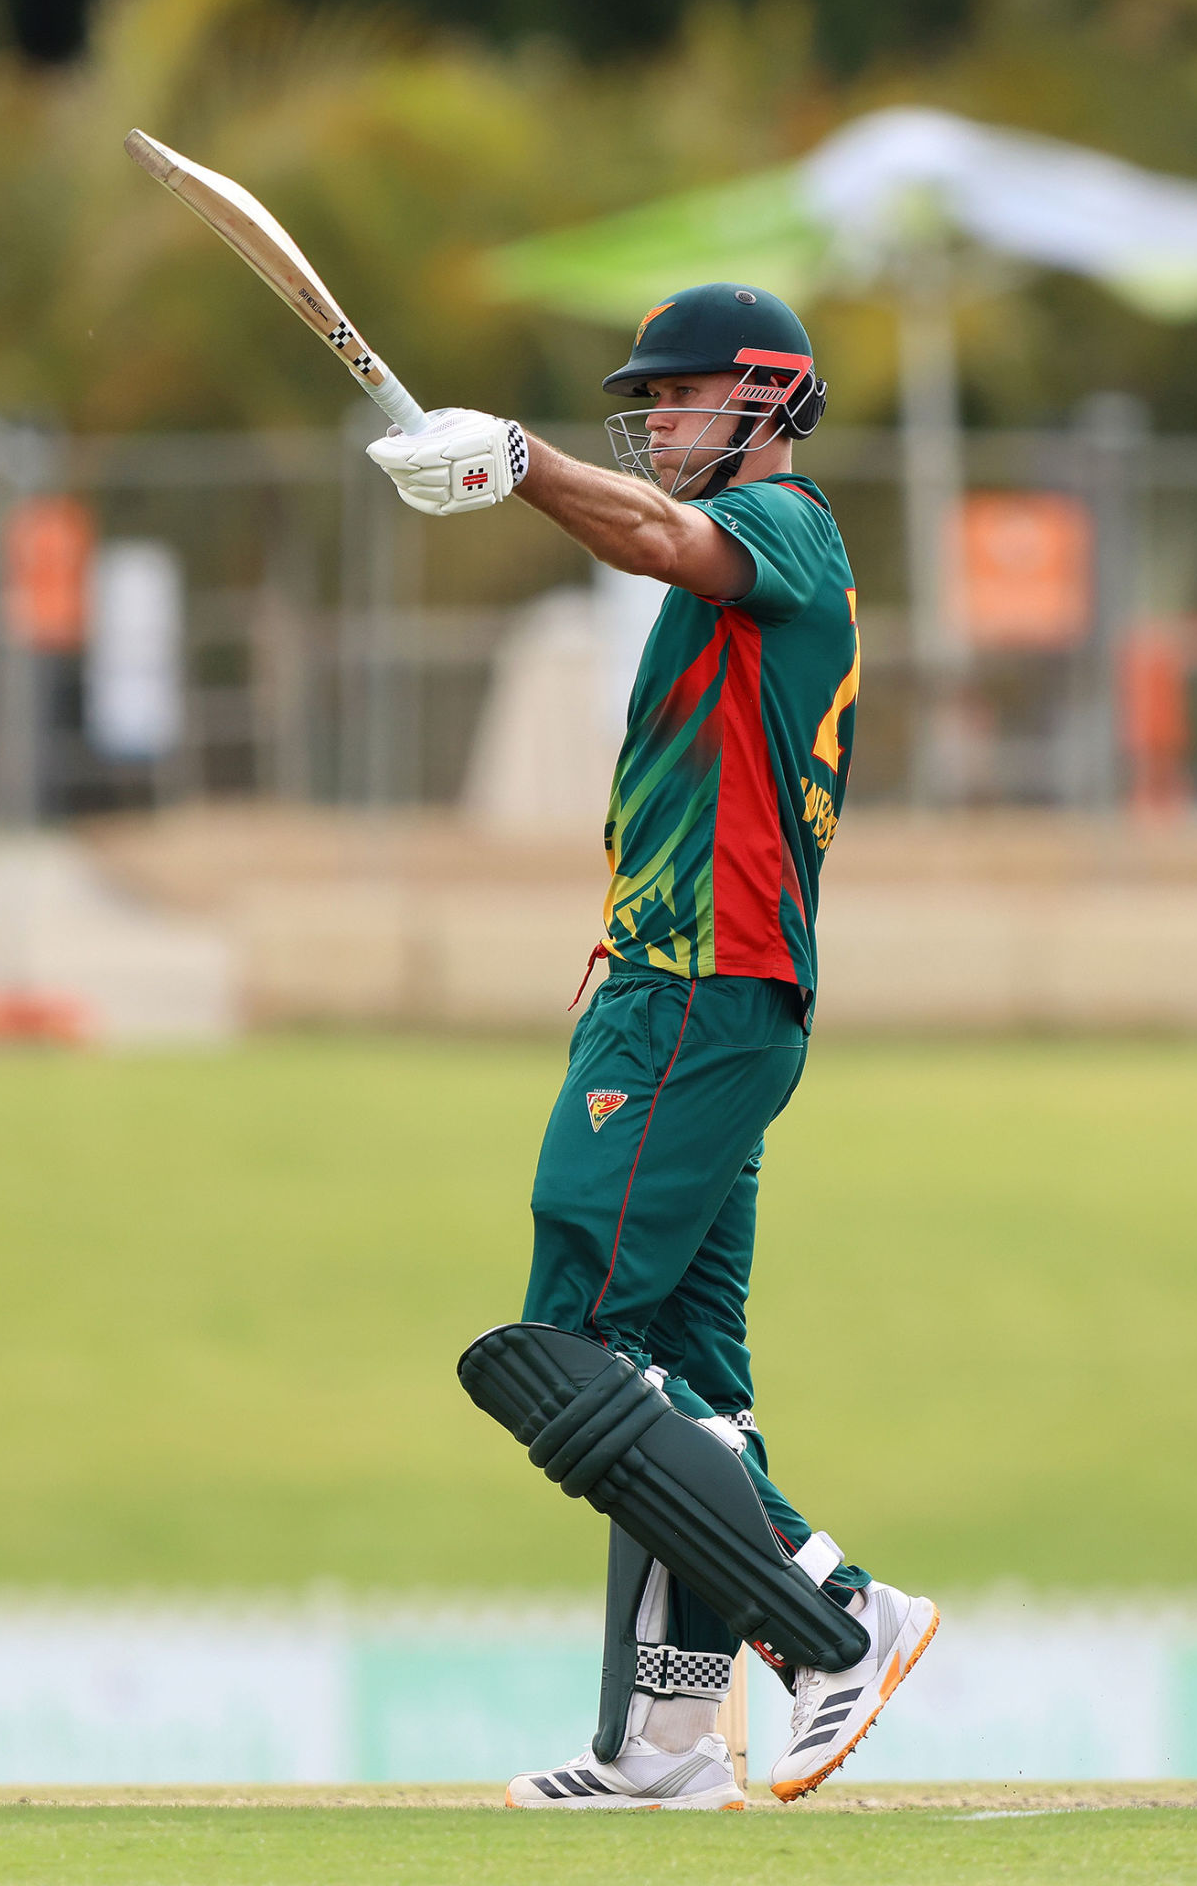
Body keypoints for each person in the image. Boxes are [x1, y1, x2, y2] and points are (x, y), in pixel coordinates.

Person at [368, 283, 937, 1809]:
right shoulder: (736, 571)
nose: (663, 423)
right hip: (690, 988)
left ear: (767, 401)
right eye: (653, 403)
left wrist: (526, 465)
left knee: (566, 1346)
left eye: (682, 399)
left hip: (701, 992)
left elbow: (652, 534)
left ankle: (835, 1621)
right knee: (681, 1383)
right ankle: (665, 1740)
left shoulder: (786, 529)